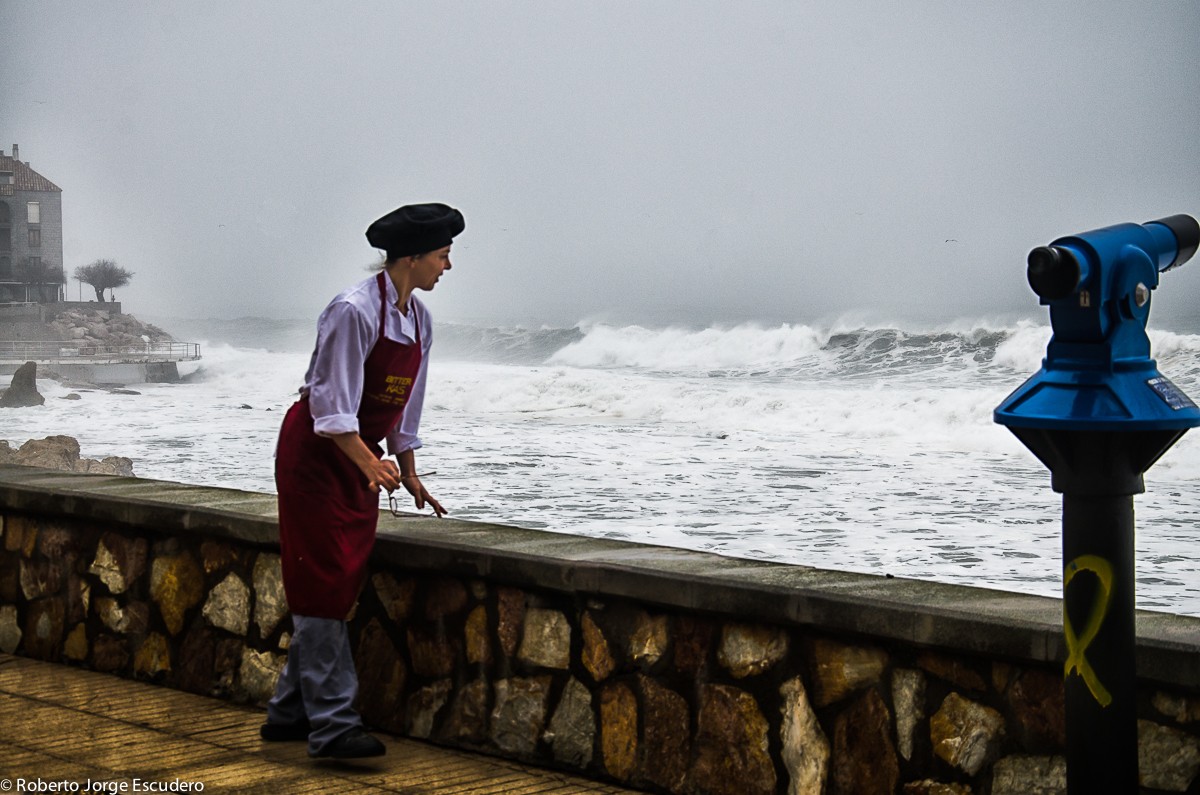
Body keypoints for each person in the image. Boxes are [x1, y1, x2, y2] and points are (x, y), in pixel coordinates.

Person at [261, 203, 464, 759]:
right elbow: (329, 402)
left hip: (358, 459)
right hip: (315, 456)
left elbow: (404, 407)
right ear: (412, 256)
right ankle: (331, 727)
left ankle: (288, 712)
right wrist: (367, 461)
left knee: (334, 580)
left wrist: (411, 471)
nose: (448, 267)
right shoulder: (353, 310)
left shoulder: (419, 320)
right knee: (322, 580)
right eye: (443, 256)